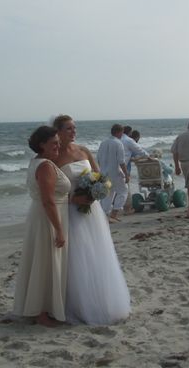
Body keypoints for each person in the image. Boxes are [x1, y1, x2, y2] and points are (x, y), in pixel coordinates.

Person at [53, 115, 131, 325]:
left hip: (91, 210)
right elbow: (53, 188)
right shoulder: (55, 156)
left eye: (74, 128)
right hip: (70, 211)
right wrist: (73, 198)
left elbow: (100, 176)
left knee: (97, 252)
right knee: (78, 257)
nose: (73, 132)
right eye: (68, 129)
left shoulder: (83, 150)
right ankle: (77, 304)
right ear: (58, 131)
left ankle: (102, 300)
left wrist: (97, 191)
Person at [13, 126, 69, 327]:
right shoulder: (45, 166)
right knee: (45, 263)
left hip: (41, 216)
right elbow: (48, 201)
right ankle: (41, 312)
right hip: (47, 219)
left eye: (58, 143)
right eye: (54, 143)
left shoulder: (36, 162)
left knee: (42, 261)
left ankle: (43, 308)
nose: (58, 146)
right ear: (42, 144)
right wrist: (59, 229)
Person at [96, 124, 130, 223]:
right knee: (123, 191)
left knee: (108, 193)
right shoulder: (118, 143)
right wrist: (126, 174)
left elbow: (98, 159)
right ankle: (114, 214)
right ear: (120, 132)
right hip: (115, 173)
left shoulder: (103, 142)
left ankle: (105, 216)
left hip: (104, 173)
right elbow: (121, 161)